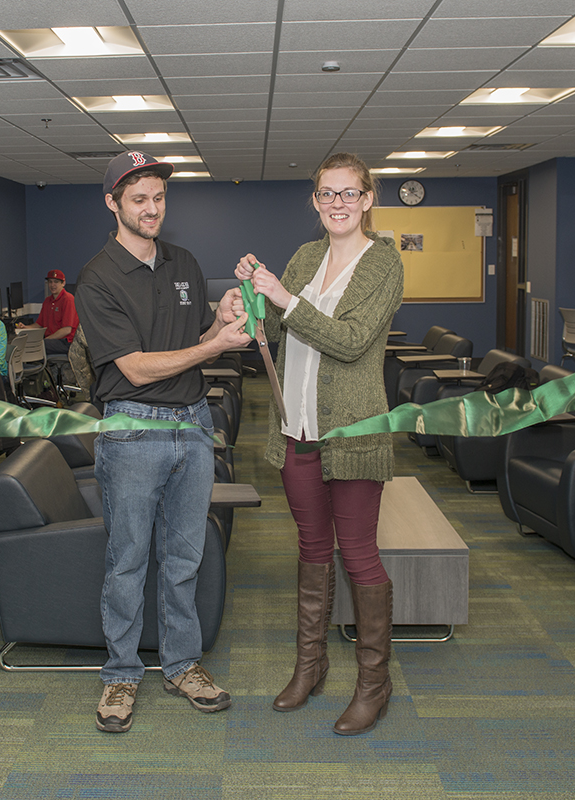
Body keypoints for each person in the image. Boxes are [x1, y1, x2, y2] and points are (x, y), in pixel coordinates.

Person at [75, 151, 252, 733]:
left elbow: (192, 337)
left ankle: (181, 664)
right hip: (132, 427)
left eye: (159, 198)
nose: (152, 209)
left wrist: (219, 320)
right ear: (113, 204)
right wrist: (215, 347)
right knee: (127, 559)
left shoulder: (183, 261)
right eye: (139, 200)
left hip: (193, 425)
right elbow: (135, 368)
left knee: (185, 556)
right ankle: (121, 674)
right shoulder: (97, 278)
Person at [234, 152, 403, 735]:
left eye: (349, 193)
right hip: (295, 426)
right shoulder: (307, 256)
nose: (338, 203)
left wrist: (284, 299)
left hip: (352, 430)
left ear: (367, 199)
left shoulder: (384, 262)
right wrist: (256, 305)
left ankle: (373, 685)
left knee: (358, 555)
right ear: (315, 201)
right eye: (327, 194)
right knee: (310, 549)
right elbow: (281, 332)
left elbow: (352, 342)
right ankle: (310, 667)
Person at [30, 269, 79, 355]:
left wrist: (46, 340)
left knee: (38, 346)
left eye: (56, 282)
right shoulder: (47, 301)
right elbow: (39, 324)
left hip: (66, 342)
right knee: (28, 343)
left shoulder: (68, 299)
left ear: (63, 283)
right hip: (51, 340)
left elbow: (66, 330)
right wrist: (24, 328)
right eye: (50, 282)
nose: (52, 285)